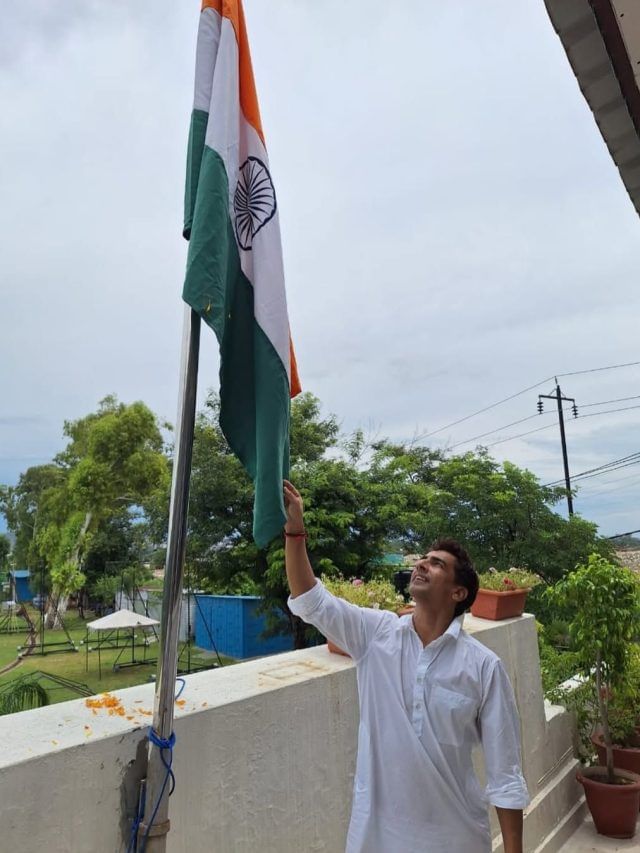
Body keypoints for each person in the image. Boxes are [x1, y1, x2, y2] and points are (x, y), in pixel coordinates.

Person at [283, 480, 529, 853]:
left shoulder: (483, 667)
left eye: (436, 563)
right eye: (422, 559)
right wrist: (295, 529)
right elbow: (310, 599)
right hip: (375, 839)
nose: (421, 564)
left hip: (455, 840)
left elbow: (505, 774)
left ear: (458, 592)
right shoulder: (376, 635)